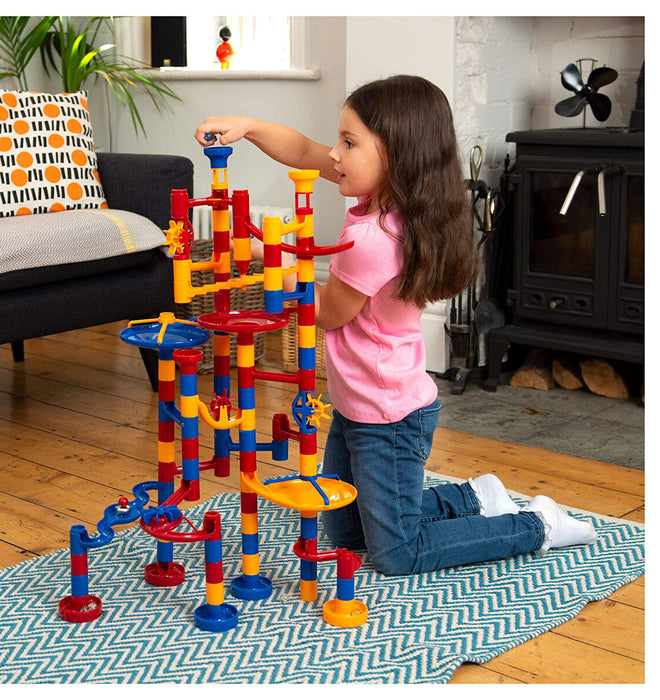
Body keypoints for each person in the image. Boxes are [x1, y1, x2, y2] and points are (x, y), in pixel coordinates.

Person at [195, 75, 597, 576]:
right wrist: (249, 126)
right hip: (357, 404)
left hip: (388, 417)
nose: (334, 153)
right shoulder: (388, 201)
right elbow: (302, 150)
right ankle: (475, 497)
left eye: (349, 142)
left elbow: (327, 313)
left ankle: (538, 525)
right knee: (344, 528)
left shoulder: (373, 240)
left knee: (398, 553)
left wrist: (270, 257)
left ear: (395, 157)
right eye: (339, 139)